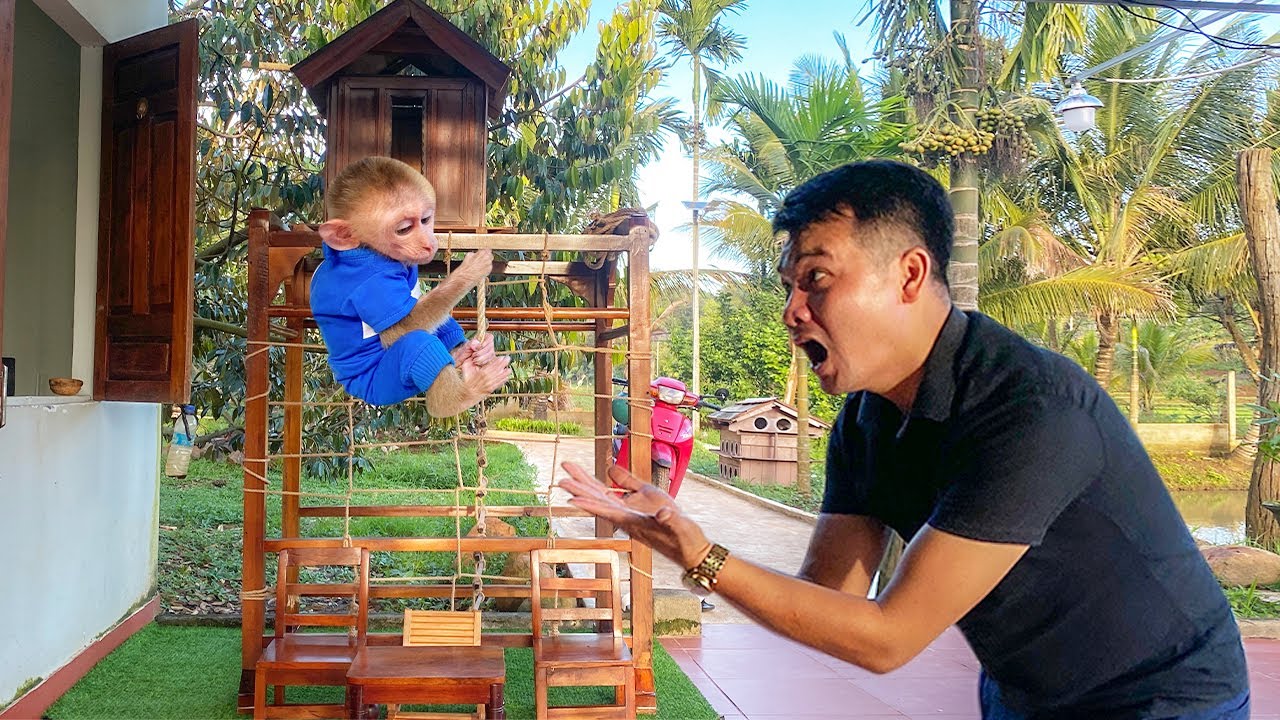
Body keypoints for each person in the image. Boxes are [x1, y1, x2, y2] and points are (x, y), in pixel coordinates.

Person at [559, 160, 1250, 718]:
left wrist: (699, 554)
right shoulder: (865, 421)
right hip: (1023, 690)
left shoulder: (1028, 408)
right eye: (790, 286)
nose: (792, 311)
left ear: (909, 275)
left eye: (817, 280)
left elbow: (889, 638)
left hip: (1165, 694)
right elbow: (829, 598)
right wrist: (676, 538)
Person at [310, 156, 510, 412]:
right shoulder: (365, 277)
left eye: (426, 220)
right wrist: (464, 277)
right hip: (372, 372)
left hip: (396, 348)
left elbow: (419, 313)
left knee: (434, 313)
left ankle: (461, 352)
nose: (428, 242)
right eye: (404, 228)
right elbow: (400, 333)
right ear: (345, 235)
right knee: (419, 341)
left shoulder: (385, 252)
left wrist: (459, 347)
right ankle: (452, 399)